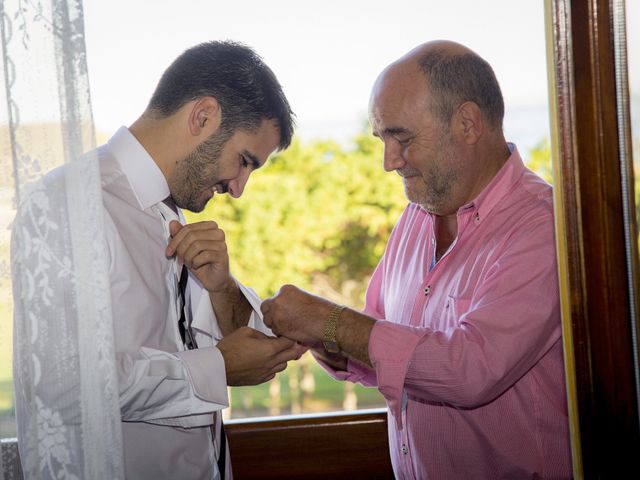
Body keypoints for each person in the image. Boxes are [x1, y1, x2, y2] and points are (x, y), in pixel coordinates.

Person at [261, 40, 572, 479]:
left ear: (467, 123)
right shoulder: (414, 217)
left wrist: (332, 322)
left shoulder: (543, 227)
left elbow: (471, 370)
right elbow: (379, 331)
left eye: (401, 138)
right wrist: (319, 337)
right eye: (382, 139)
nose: (389, 162)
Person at [12, 41, 304, 479]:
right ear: (202, 117)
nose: (239, 188)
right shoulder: (67, 206)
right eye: (243, 162)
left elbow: (248, 342)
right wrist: (216, 368)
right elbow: (62, 383)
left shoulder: (172, 218)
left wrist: (223, 290)